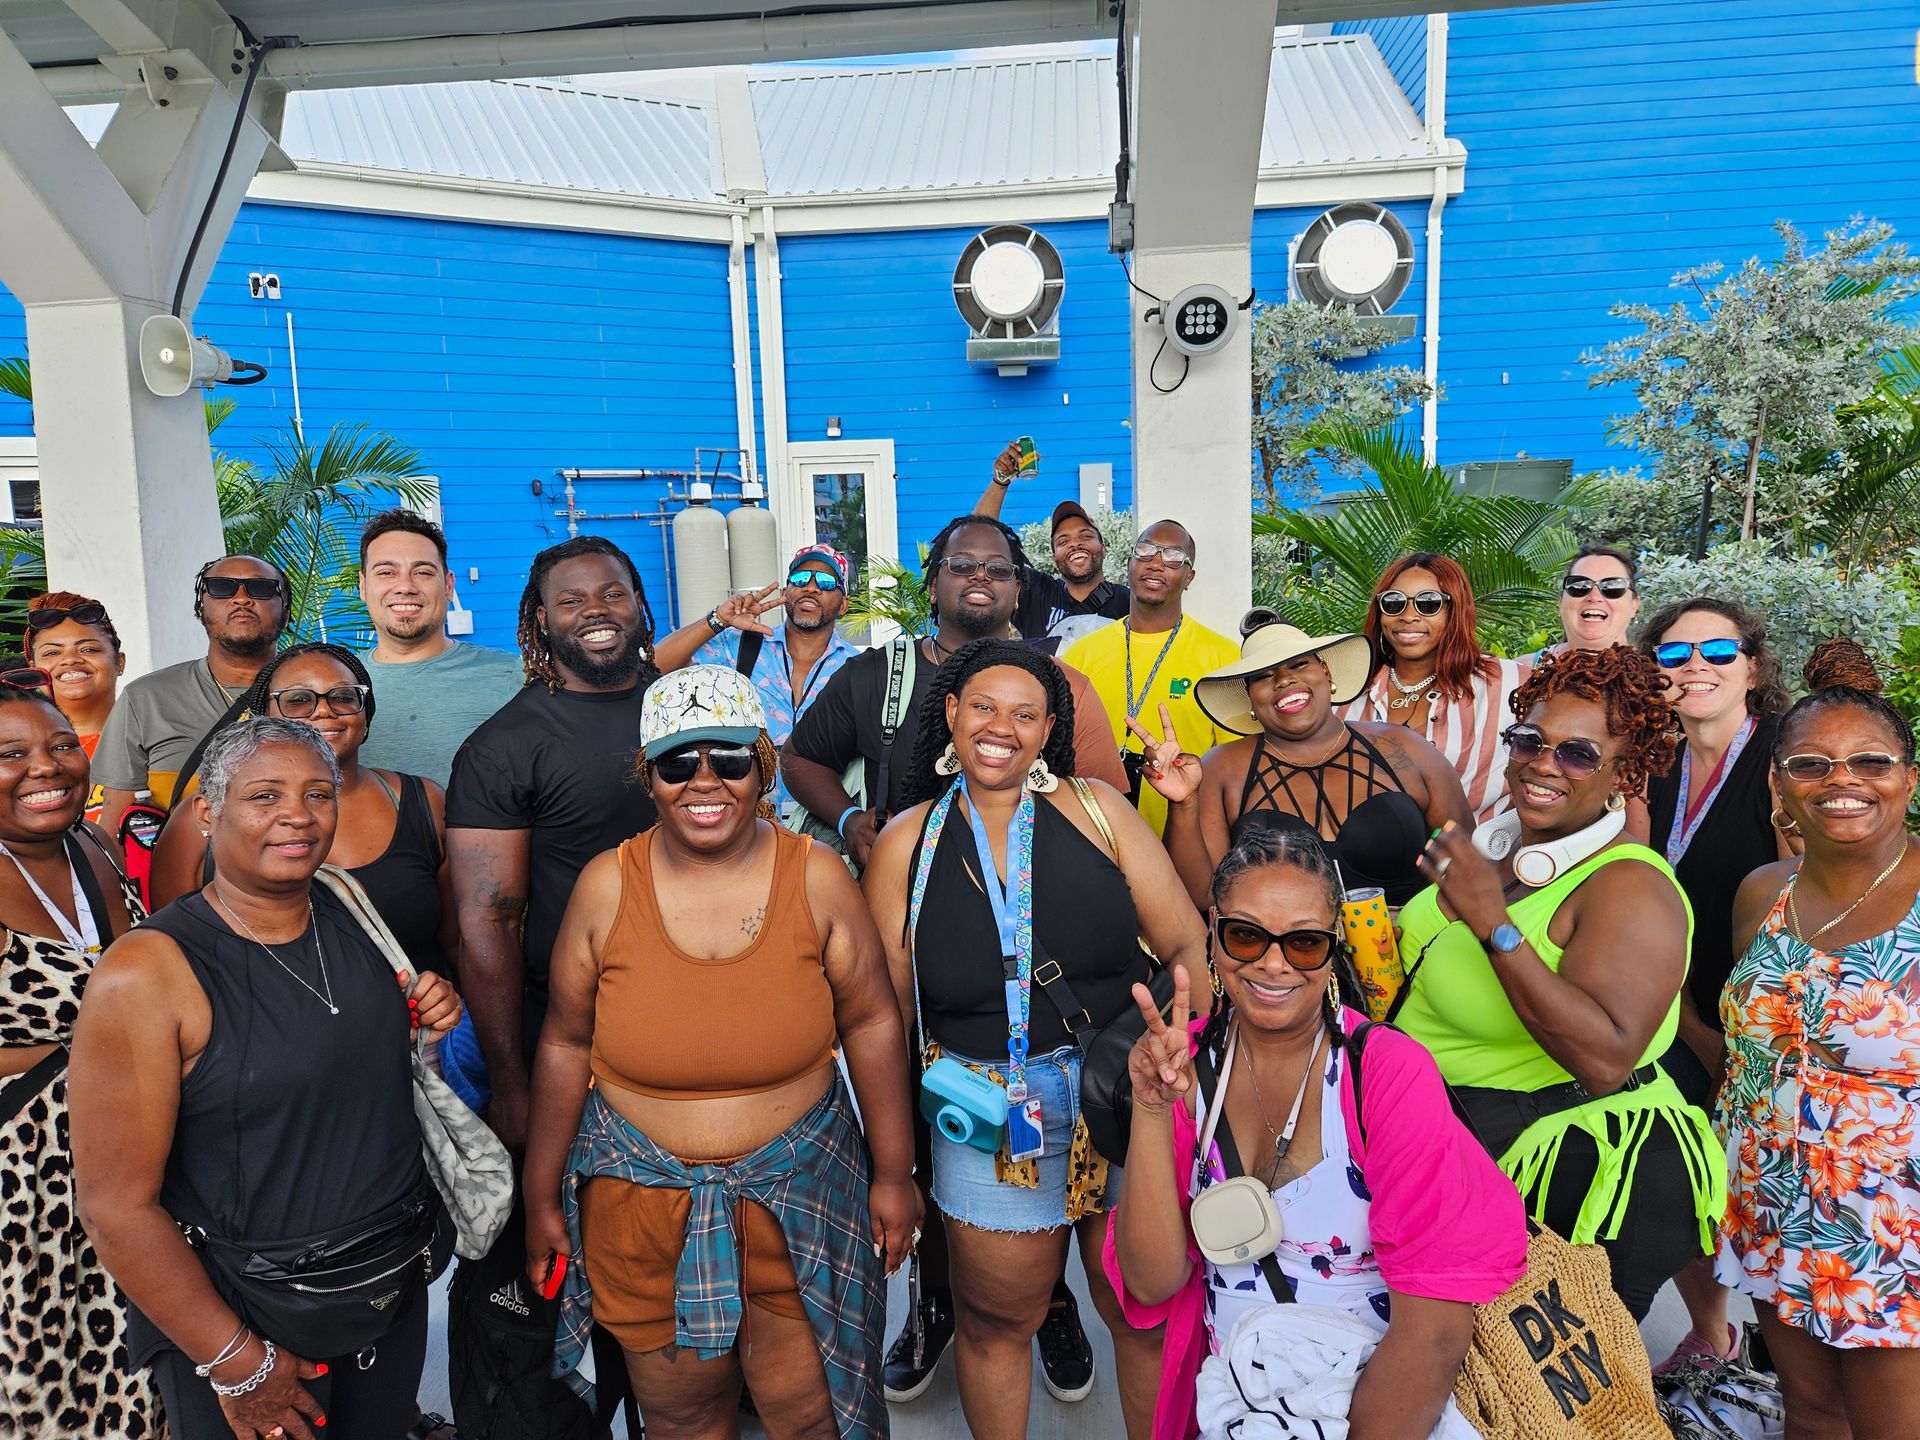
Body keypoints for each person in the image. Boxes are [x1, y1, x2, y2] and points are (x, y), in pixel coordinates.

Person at [522, 666, 918, 1438]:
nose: (705, 781)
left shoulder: (817, 876)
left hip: (802, 1196)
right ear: (649, 776)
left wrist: (894, 1174)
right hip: (641, 1208)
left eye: (730, 759)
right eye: (678, 762)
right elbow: (566, 1042)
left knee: (809, 1416)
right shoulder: (606, 885)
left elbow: (872, 1020)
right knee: (680, 1417)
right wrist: (541, 1197)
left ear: (763, 769)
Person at [781, 514, 1121, 1403]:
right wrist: (853, 823)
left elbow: (1105, 813)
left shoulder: (1063, 682)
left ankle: (1048, 1306)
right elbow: (800, 758)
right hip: (930, 968)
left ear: (1019, 585)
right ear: (931, 580)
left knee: (1050, 1199)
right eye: (961, 564)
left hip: (1051, 978)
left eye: (998, 568)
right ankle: (935, 1307)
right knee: (943, 1145)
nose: (980, 578)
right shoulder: (878, 676)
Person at [69, 717, 464, 1438]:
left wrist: (426, 1006)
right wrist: (236, 1362)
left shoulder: (350, 911)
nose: (298, 815)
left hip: (384, 1289)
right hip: (250, 1319)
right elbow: (115, 1207)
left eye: (318, 794)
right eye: (264, 795)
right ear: (207, 811)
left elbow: (347, 1062)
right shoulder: (148, 973)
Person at [865, 638, 1209, 1440]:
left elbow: (1188, 947)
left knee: (1142, 1309)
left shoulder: (1100, 809)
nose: (1001, 728)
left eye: (1026, 714)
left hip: (1126, 1089)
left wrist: (1181, 1052)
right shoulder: (906, 844)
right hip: (988, 1112)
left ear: (1050, 730)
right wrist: (895, 1165)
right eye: (983, 707)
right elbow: (885, 1020)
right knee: (996, 1323)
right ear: (952, 714)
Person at [1107, 827, 1528, 1440]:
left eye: (1304, 943)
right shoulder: (1183, 1067)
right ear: (1214, 931)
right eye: (1246, 935)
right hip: (1236, 1406)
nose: (1273, 963)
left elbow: (1434, 1334)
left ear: (1335, 946)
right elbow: (1152, 1283)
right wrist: (1149, 1111)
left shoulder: (1381, 1072)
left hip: (1379, 1411)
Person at [1395, 646, 1725, 1321]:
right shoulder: (1498, 849)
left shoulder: (1631, 887)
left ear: (1624, 776)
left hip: (1578, 1175)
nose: (1544, 764)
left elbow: (1605, 1059)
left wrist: (1494, 926)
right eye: (1530, 742)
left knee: (1526, 1383)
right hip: (1454, 1142)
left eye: (1578, 754)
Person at [1718, 639, 1920, 1438]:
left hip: (1893, 1222)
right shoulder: (1761, 895)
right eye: (1811, 764)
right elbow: (1749, 1052)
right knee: (1808, 1414)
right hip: (1773, 1197)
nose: (1842, 781)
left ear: (1909, 778)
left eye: (1870, 761)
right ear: (1779, 784)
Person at [447, 534, 661, 1149]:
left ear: (637, 602)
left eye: (612, 594)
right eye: (571, 600)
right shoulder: (503, 747)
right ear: (542, 619)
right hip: (582, 1027)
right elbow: (488, 922)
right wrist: (511, 1082)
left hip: (714, 996)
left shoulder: (683, 709)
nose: (595, 610)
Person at [1635, 597, 1794, 1374]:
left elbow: (1808, 910)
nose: (1695, 665)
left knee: (1764, 1195)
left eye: (1718, 652)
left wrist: (1722, 1035)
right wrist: (1687, 1024)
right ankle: (1712, 1331)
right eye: (1674, 653)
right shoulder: (1648, 761)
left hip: (1766, 1026)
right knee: (1669, 1182)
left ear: (1753, 668)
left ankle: (1795, 1364)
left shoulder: (1786, 762)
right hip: (1663, 1009)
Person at [0, 682, 159, 1437]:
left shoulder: (94, 845)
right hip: (24, 1193)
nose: (47, 766)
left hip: (134, 1174)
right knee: (44, 1383)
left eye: (62, 744)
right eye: (11, 754)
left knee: (138, 1379)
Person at [145, 646, 457, 999]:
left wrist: (445, 1003)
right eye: (297, 700)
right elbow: (176, 959)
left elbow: (458, 941)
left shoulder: (424, 801)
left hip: (413, 1023)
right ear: (262, 716)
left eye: (343, 697)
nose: (324, 710)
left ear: (366, 713)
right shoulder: (204, 815)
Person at [1144, 617, 1474, 909]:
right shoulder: (1222, 767)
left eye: (1299, 665)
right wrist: (1183, 803)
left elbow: (1468, 866)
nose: (1284, 680)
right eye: (1263, 676)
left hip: (1417, 947)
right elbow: (1203, 895)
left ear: (1326, 672)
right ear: (1250, 698)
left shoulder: (1404, 747)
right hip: (1280, 955)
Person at [651, 542, 859, 819]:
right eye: (800, 578)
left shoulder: (856, 668)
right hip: (748, 821)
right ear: (785, 593)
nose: (811, 587)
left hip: (826, 823)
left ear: (843, 605)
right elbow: (655, 667)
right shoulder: (742, 647)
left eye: (826, 582)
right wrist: (718, 620)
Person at [1060, 520, 1242, 837]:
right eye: (1145, 551)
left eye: (1173, 556)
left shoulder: (1224, 657)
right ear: (1128, 564)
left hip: (1185, 840)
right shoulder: (1081, 653)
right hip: (1091, 832)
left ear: (1189, 577)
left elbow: (1235, 767)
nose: (1155, 563)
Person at [93, 555, 290, 840]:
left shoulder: (319, 697)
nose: (241, 599)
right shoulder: (146, 698)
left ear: (285, 610)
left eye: (260, 588)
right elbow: (114, 827)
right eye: (222, 587)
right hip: (178, 866)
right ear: (201, 607)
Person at [1337, 551, 1529, 822]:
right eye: (1394, 603)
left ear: (1455, 610)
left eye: (1428, 603)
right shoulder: (1346, 688)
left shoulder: (1512, 684)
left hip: (1471, 846)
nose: (1408, 616)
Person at [355, 510, 527, 788]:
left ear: (448, 585)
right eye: (386, 572)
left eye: (423, 572)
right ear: (362, 586)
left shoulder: (514, 678)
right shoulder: (336, 687)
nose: (405, 587)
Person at [971, 440, 1130, 637]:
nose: (1075, 544)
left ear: (1104, 548)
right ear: (1054, 558)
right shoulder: (1036, 594)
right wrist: (1000, 481)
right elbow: (978, 540)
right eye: (1063, 541)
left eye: (1086, 535)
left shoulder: (1130, 603)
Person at [25, 590, 126, 823]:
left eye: (89, 649)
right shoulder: (13, 755)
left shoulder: (154, 740)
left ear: (119, 662)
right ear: (34, 670)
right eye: (52, 652)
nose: (70, 659)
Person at [1535, 544, 1642, 659]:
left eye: (1612, 587)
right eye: (1579, 586)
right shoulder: (1523, 668)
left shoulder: (1655, 668)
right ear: (1561, 602)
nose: (1594, 597)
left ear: (1634, 605)